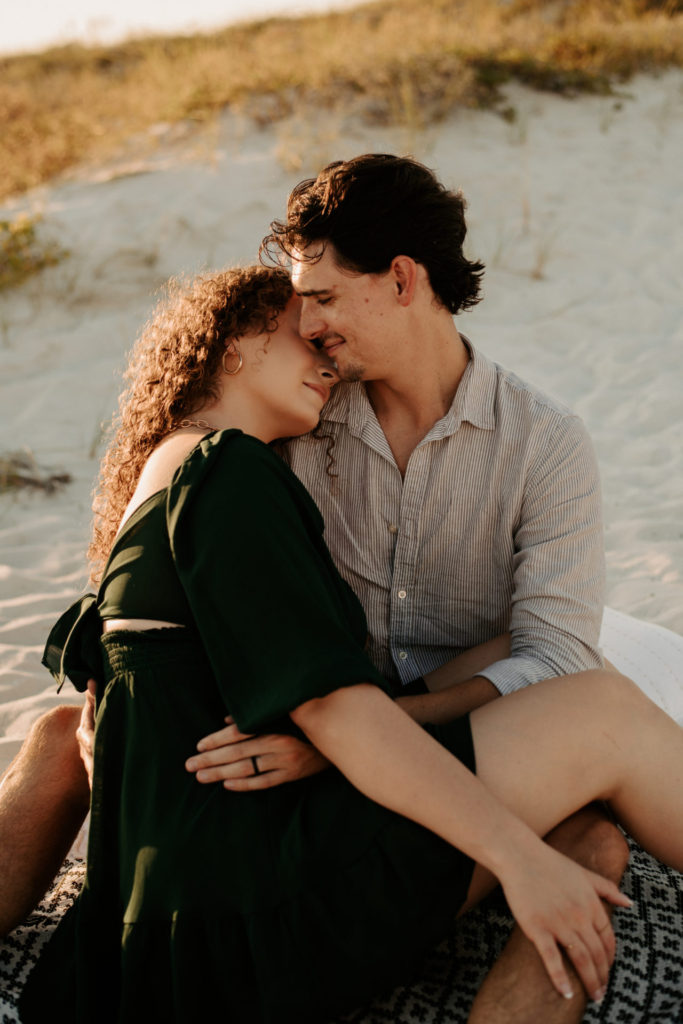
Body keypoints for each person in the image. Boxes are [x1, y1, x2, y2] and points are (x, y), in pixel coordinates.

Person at [11, 262, 683, 1024]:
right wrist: (520, 860)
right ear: (234, 344)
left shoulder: (165, 480)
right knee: (604, 713)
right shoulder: (227, 469)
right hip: (260, 909)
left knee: (527, 669)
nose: (327, 364)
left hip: (184, 913)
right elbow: (331, 709)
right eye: (303, 340)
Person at [179, 154, 630, 1022]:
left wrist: (376, 729)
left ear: (400, 279)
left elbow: (557, 660)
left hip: (457, 739)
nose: (306, 324)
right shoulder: (298, 422)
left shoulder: (544, 444)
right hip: (317, 733)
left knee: (591, 844)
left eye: (322, 296)